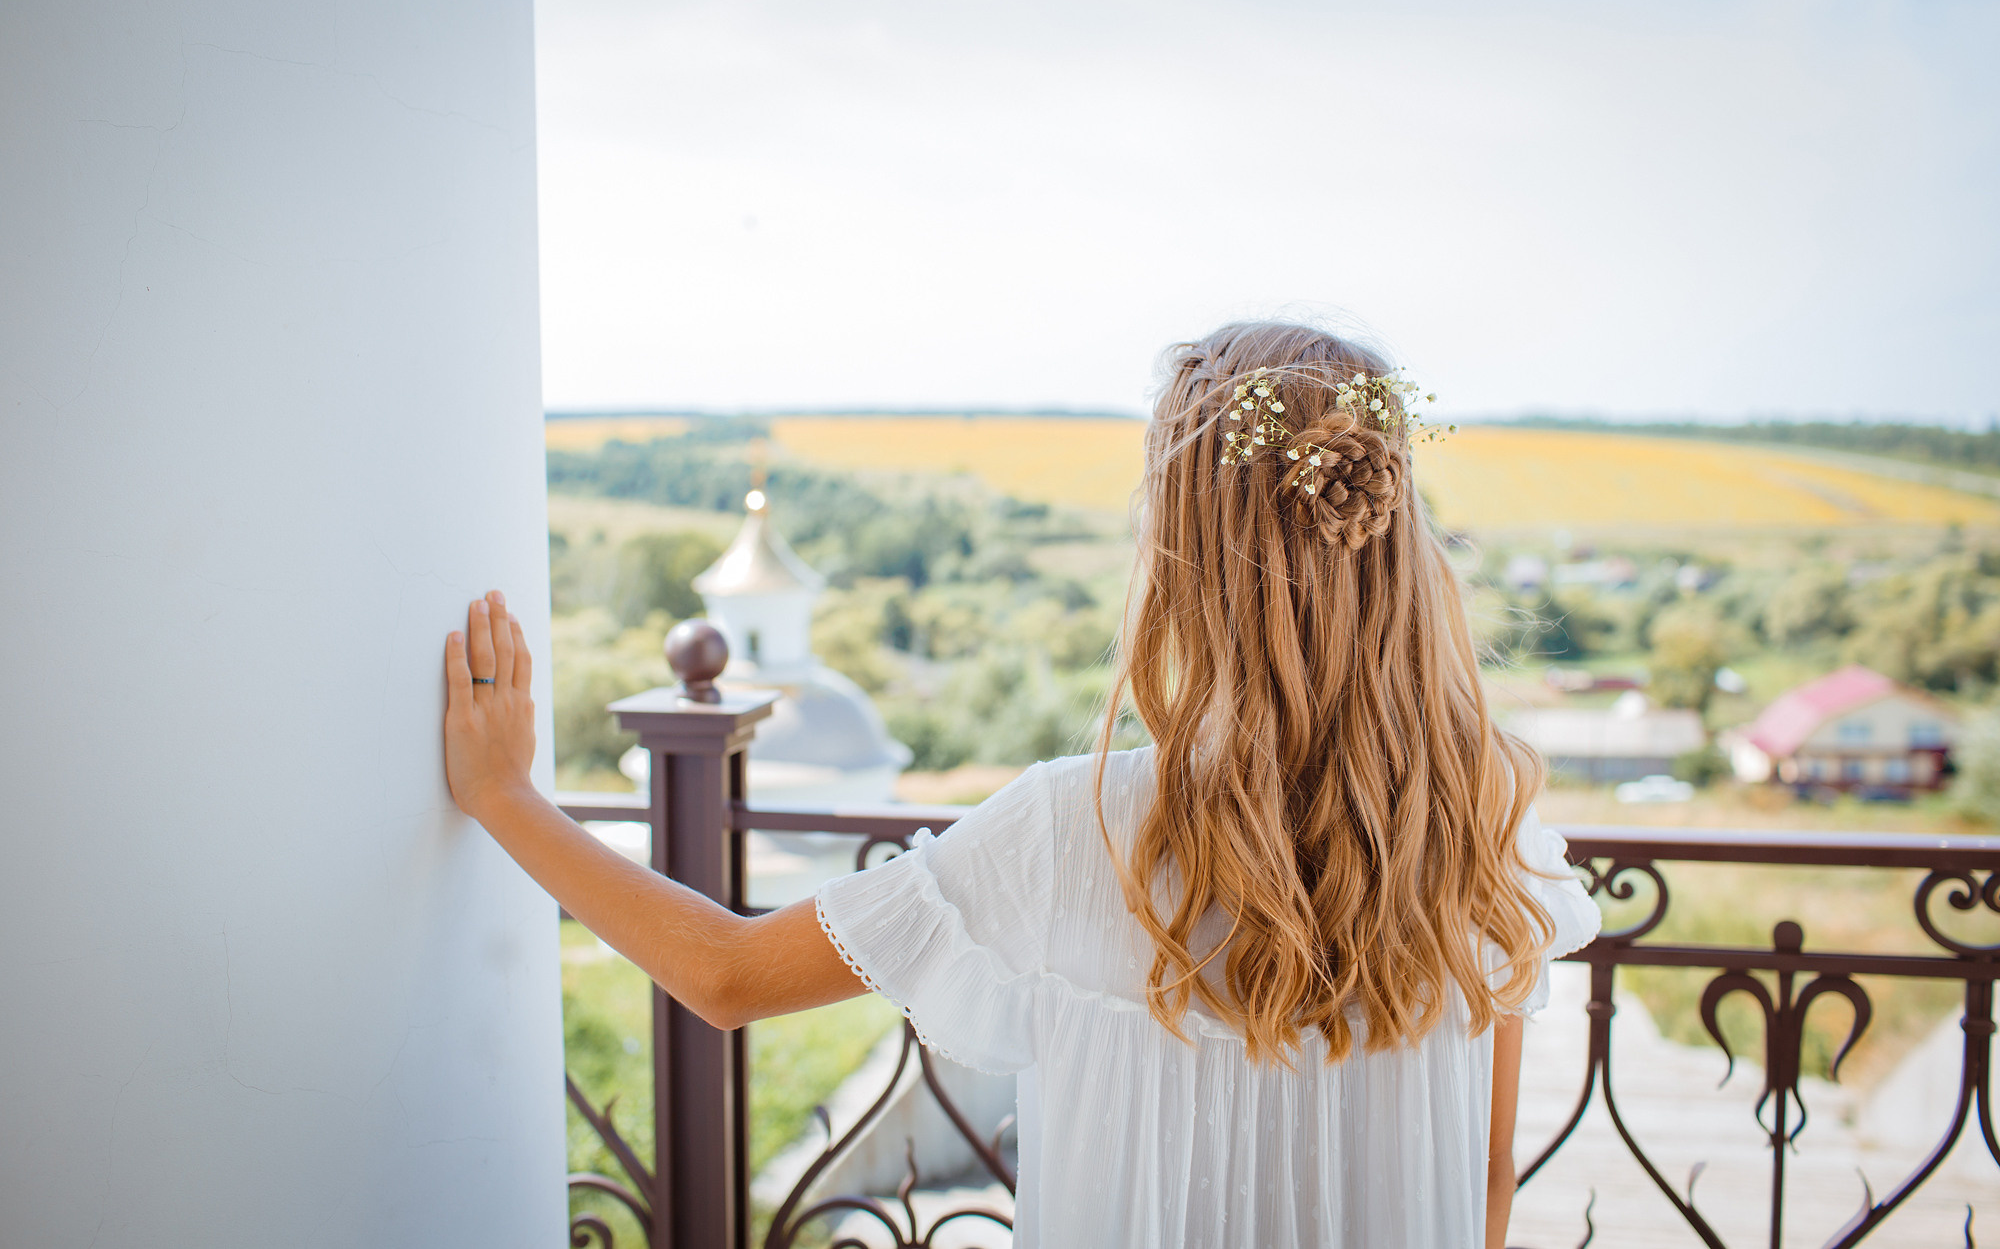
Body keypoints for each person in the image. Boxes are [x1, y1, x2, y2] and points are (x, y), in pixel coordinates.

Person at [442, 321, 1600, 1248]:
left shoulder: (1076, 827)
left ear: (1185, 559)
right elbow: (1481, 1188)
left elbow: (727, 975)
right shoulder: (1482, 821)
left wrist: (504, 795)